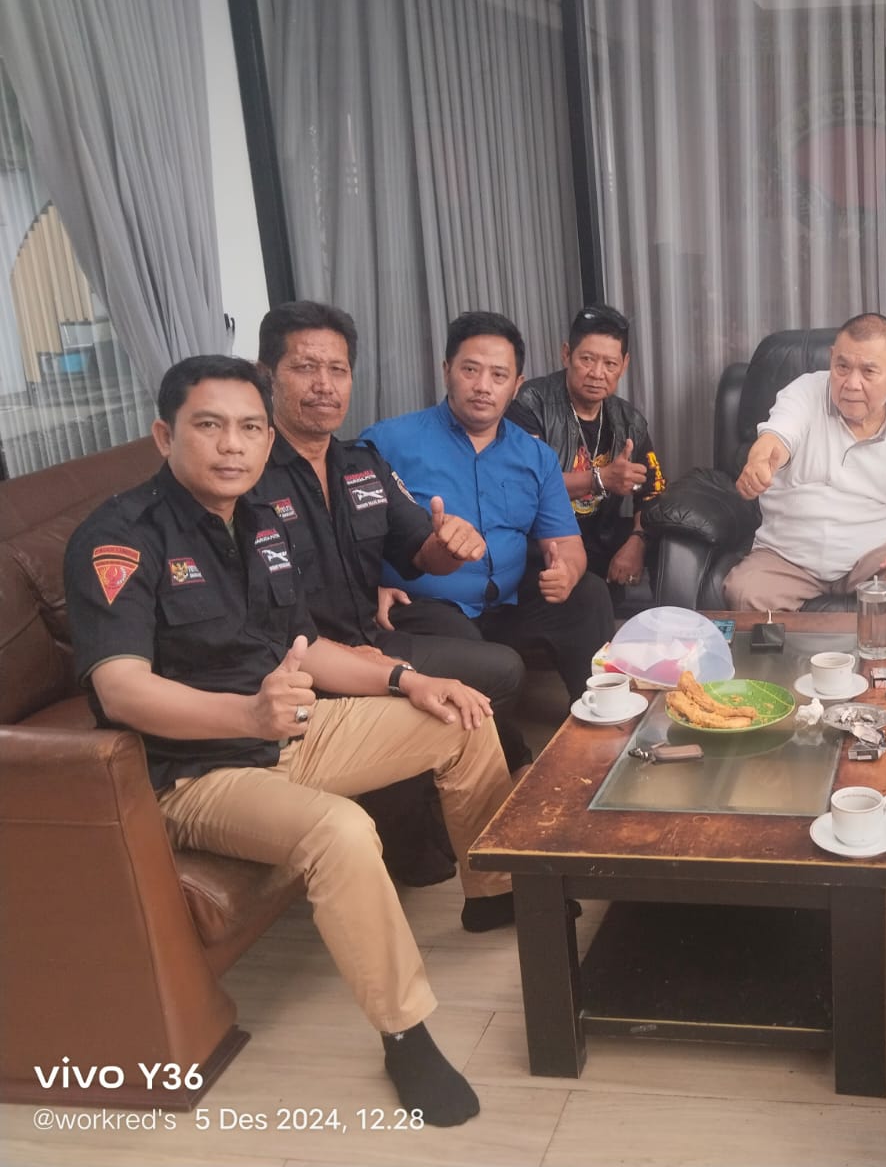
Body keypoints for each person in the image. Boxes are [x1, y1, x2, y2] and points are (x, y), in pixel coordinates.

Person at [64, 356, 519, 1126]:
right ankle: (404, 1032)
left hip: (293, 731)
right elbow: (121, 689)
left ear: (266, 438)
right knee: (341, 831)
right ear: (164, 435)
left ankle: (495, 895)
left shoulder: (262, 521)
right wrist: (247, 717)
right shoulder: (119, 539)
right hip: (194, 773)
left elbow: (305, 647)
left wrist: (408, 679)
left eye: (249, 428)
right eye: (209, 426)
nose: (232, 445)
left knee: (461, 713)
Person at [254, 301, 530, 886]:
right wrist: (378, 667)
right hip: (306, 667)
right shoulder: (247, 481)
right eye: (305, 368)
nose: (325, 385)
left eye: (338, 370)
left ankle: (456, 819)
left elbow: (420, 550)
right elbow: (273, 624)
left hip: (371, 639)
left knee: (498, 668)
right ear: (267, 374)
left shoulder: (362, 464)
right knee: (422, 864)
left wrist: (450, 545)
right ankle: (421, 826)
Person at [359, 311, 613, 703]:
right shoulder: (386, 442)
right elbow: (342, 533)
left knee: (589, 594)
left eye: (498, 375)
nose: (483, 386)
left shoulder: (536, 456)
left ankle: (599, 713)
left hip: (508, 604)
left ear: (516, 385)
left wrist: (567, 571)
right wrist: (366, 588)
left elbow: (567, 544)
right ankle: (498, 737)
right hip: (425, 606)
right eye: (470, 370)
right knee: (468, 648)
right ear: (447, 370)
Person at [723, 313, 886, 629]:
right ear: (831, 357)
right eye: (842, 367)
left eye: (868, 371)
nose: (851, 383)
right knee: (745, 593)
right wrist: (759, 463)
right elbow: (776, 438)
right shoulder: (804, 392)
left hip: (876, 556)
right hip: (788, 554)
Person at [505, 302, 666, 596]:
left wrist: (637, 542)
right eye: (587, 359)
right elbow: (526, 486)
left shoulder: (630, 421)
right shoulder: (532, 404)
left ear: (624, 364)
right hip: (543, 543)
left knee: (667, 544)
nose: (597, 373)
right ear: (566, 354)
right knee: (592, 594)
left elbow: (653, 491)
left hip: (600, 537)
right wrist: (600, 479)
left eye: (610, 364)